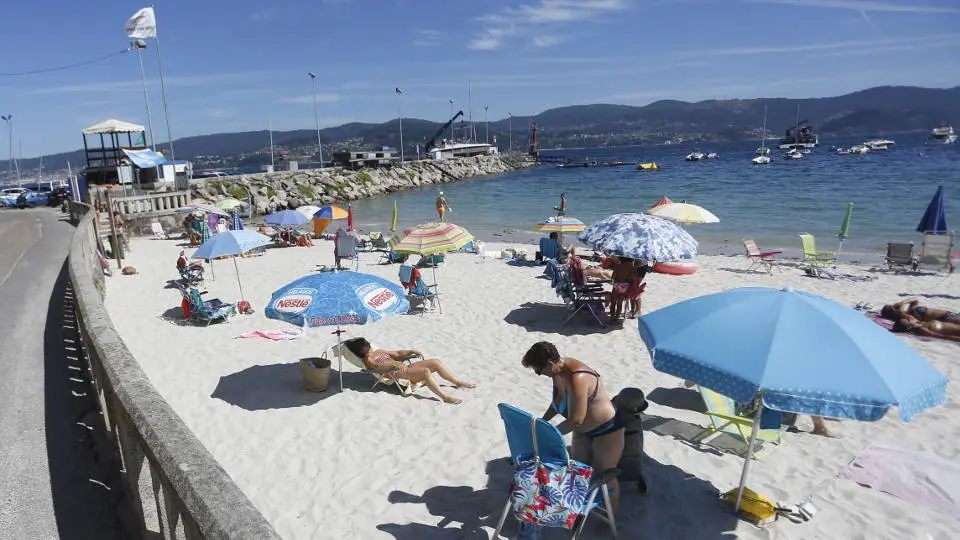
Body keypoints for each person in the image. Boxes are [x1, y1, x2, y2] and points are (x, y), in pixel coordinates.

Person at [522, 341, 624, 509]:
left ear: (549, 364)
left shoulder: (578, 377)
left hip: (607, 430)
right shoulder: (557, 372)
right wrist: (543, 422)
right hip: (582, 431)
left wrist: (550, 434)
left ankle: (609, 521)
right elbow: (557, 403)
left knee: (605, 477)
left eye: (538, 370)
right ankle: (579, 510)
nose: (539, 374)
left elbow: (577, 419)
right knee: (578, 473)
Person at [343, 338, 474, 404]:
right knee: (425, 371)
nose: (369, 346)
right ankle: (445, 397)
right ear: (361, 351)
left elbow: (398, 353)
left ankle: (457, 382)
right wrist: (392, 364)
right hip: (395, 373)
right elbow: (375, 367)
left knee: (436, 362)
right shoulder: (367, 359)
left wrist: (411, 351)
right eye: (366, 346)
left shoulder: (378, 351)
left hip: (404, 368)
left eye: (368, 343)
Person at [881, 299, 959, 324]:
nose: (895, 305)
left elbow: (915, 300)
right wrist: (901, 307)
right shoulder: (906, 316)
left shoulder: (909, 311)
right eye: (893, 307)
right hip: (945, 319)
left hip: (950, 314)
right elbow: (918, 322)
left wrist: (903, 302)